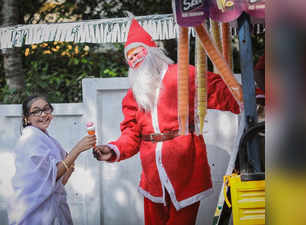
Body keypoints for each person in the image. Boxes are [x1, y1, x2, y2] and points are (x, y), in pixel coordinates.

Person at [93, 18, 240, 225]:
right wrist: (113, 149)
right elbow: (131, 134)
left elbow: (218, 91)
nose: (134, 58)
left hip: (186, 171)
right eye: (130, 57)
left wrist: (257, 100)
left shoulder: (183, 75)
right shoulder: (133, 94)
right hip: (152, 178)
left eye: (138, 52)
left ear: (152, 52)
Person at [8, 95, 96, 225]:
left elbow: (58, 181)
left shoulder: (46, 139)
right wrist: (77, 149)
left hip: (54, 209)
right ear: (27, 118)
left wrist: (71, 163)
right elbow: (54, 175)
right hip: (34, 211)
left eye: (46, 109)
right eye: (36, 111)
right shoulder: (31, 138)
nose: (43, 114)